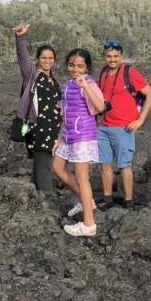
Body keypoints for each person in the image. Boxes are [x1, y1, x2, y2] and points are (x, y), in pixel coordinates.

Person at [90, 40, 151, 212]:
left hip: (124, 127)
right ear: (104, 57)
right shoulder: (103, 72)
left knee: (124, 165)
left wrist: (140, 120)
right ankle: (108, 198)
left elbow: (150, 94)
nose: (112, 59)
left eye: (116, 56)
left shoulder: (130, 73)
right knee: (104, 164)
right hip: (104, 126)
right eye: (109, 56)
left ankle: (128, 201)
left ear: (121, 57)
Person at [53, 49, 106, 237]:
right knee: (58, 168)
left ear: (87, 67)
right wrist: (59, 138)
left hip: (83, 136)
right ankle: (87, 201)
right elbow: (65, 113)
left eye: (80, 66)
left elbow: (100, 107)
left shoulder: (89, 83)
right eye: (71, 65)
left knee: (81, 178)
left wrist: (86, 87)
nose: (75, 69)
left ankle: (89, 225)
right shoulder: (68, 83)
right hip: (68, 135)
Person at [12, 24, 61, 193]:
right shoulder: (32, 75)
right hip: (37, 128)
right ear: (38, 59)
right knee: (44, 167)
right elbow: (23, 58)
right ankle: (47, 200)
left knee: (39, 166)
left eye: (50, 58)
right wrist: (20, 38)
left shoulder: (54, 81)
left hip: (52, 130)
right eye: (43, 58)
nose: (47, 61)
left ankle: (34, 199)